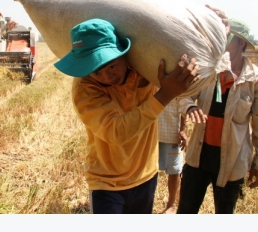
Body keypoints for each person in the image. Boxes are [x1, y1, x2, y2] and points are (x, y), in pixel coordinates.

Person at [54, 18, 200, 214]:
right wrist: (165, 95)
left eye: (111, 66)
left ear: (124, 54)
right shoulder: (85, 88)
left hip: (146, 175)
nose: (106, 77)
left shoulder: (144, 70)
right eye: (96, 71)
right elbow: (115, 132)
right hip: (106, 183)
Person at [177, 18, 258, 214]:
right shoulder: (208, 70)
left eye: (228, 38)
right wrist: (189, 108)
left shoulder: (253, 80)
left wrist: (257, 163)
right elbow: (183, 95)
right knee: (186, 211)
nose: (221, 44)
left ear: (241, 44)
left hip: (232, 162)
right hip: (198, 157)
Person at [158, 98, 187, 214]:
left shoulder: (177, 80)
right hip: (151, 133)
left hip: (172, 134)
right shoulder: (151, 81)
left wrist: (183, 130)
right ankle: (147, 200)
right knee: (149, 171)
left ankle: (171, 204)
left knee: (174, 170)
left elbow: (184, 105)